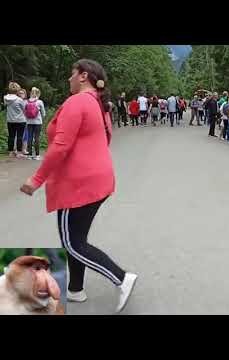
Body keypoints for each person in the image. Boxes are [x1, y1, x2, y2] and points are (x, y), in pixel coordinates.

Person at [19, 59, 137, 313]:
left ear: (83, 76)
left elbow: (60, 145)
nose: (68, 79)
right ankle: (75, 289)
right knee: (77, 239)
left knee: (72, 242)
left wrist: (36, 180)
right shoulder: (96, 102)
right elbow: (105, 138)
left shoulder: (78, 102)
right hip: (97, 180)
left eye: (71, 74)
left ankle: (122, 278)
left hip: (79, 184)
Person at [3, 82, 27, 158]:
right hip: (20, 120)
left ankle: (10, 152)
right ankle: (19, 153)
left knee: (11, 136)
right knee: (20, 136)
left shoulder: (5, 98)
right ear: (17, 90)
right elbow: (24, 109)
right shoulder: (19, 100)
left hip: (10, 120)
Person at [25, 87, 46, 160]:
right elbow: (43, 113)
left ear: (31, 93)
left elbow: (24, 112)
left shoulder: (26, 101)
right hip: (37, 122)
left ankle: (29, 155)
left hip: (29, 122)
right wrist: (42, 117)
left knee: (29, 138)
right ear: (38, 94)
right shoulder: (39, 102)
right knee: (36, 138)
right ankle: (37, 155)